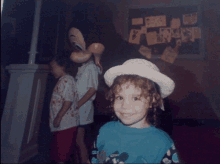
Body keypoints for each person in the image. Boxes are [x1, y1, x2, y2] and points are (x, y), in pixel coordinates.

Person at [90, 59, 179, 164]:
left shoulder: (162, 143)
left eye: (135, 98)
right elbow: (92, 160)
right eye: (119, 97)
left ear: (152, 100)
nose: (125, 106)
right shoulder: (104, 131)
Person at [68, 23, 105, 164]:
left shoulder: (91, 68)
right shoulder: (83, 67)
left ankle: (85, 161)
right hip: (77, 109)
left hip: (82, 111)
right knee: (77, 141)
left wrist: (77, 105)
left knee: (79, 141)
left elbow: (92, 90)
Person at [49, 52, 79, 164]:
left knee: (61, 157)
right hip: (61, 125)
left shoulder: (67, 80)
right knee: (58, 156)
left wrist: (58, 117)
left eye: (53, 67)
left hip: (66, 124)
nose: (51, 70)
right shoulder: (62, 80)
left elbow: (68, 101)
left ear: (62, 66)